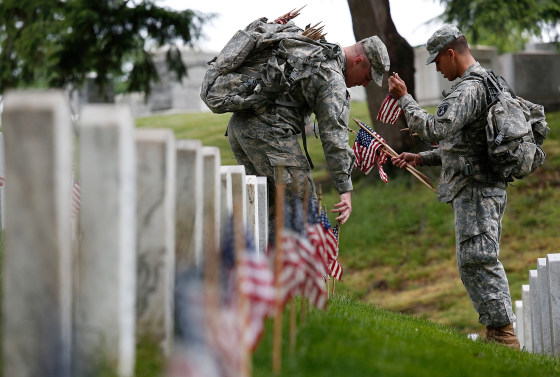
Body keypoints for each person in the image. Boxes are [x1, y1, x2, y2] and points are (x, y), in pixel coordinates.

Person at [388, 25, 520, 349]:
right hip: (482, 187)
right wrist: (421, 159)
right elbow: (464, 146)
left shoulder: (469, 89)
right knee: (474, 259)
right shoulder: (489, 82)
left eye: (437, 61)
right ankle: (495, 332)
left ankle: (504, 336)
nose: (437, 68)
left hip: (478, 191)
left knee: (479, 259)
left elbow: (437, 127)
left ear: (451, 53)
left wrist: (404, 98)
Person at [227, 34, 390, 236]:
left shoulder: (316, 52)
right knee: (306, 210)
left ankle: (269, 265)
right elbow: (333, 136)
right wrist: (344, 189)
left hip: (240, 128)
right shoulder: (333, 78)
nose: (365, 84)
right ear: (358, 62)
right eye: (367, 77)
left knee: (267, 209)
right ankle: (295, 266)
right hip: (267, 133)